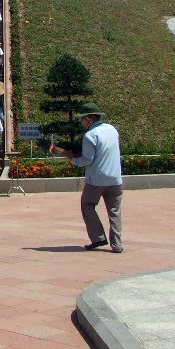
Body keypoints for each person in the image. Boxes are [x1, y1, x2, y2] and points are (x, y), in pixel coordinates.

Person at [53, 103, 123, 253]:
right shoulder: (112, 129)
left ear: (90, 118)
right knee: (114, 211)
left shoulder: (90, 135)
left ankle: (98, 237)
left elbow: (87, 160)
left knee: (87, 205)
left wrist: (71, 157)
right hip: (115, 178)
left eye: (83, 119)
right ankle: (117, 244)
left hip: (96, 180)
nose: (82, 122)